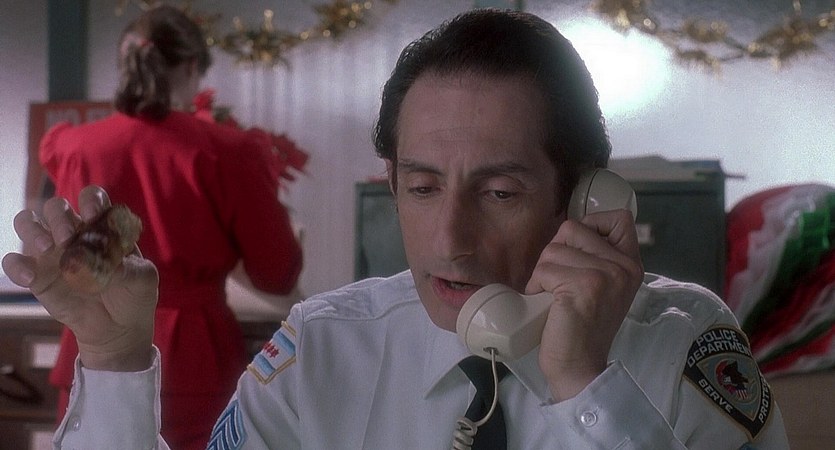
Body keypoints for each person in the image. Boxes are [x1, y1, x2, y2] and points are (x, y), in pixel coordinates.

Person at [3, 8, 787, 449]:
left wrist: (585, 386)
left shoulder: (684, 340)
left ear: (584, 198)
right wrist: (113, 357)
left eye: (499, 192)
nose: (448, 239)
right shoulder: (321, 347)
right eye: (420, 187)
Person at [33, 5, 302, 450]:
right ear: (191, 67)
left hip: (94, 349)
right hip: (196, 362)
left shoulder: (74, 146)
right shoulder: (228, 150)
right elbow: (277, 273)